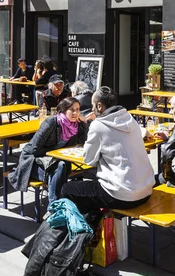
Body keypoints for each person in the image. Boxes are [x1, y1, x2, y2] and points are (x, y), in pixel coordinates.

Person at [60, 86, 154, 214]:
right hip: (146, 190)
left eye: (92, 105)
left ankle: (88, 229)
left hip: (121, 195)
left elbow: (88, 159)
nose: (91, 108)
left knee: (67, 189)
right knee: (91, 187)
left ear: (99, 106)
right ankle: (99, 223)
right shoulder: (130, 119)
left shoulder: (98, 125)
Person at [9, 97, 89, 204]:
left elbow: (83, 142)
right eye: (72, 109)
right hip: (33, 160)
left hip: (56, 161)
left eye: (78, 109)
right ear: (64, 110)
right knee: (59, 169)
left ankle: (55, 206)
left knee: (60, 167)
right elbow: (35, 149)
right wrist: (56, 153)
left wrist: (84, 124)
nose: (75, 113)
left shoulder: (75, 125)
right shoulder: (51, 122)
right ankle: (55, 205)